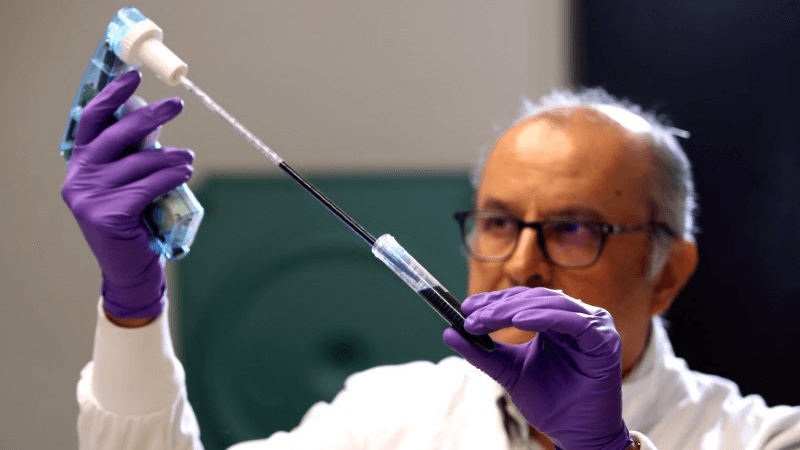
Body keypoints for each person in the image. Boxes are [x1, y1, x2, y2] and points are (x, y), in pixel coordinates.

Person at [64, 70, 800, 450]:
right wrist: (134, 303)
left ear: (668, 272)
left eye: (575, 230)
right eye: (499, 223)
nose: (520, 264)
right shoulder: (387, 417)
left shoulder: (758, 438)